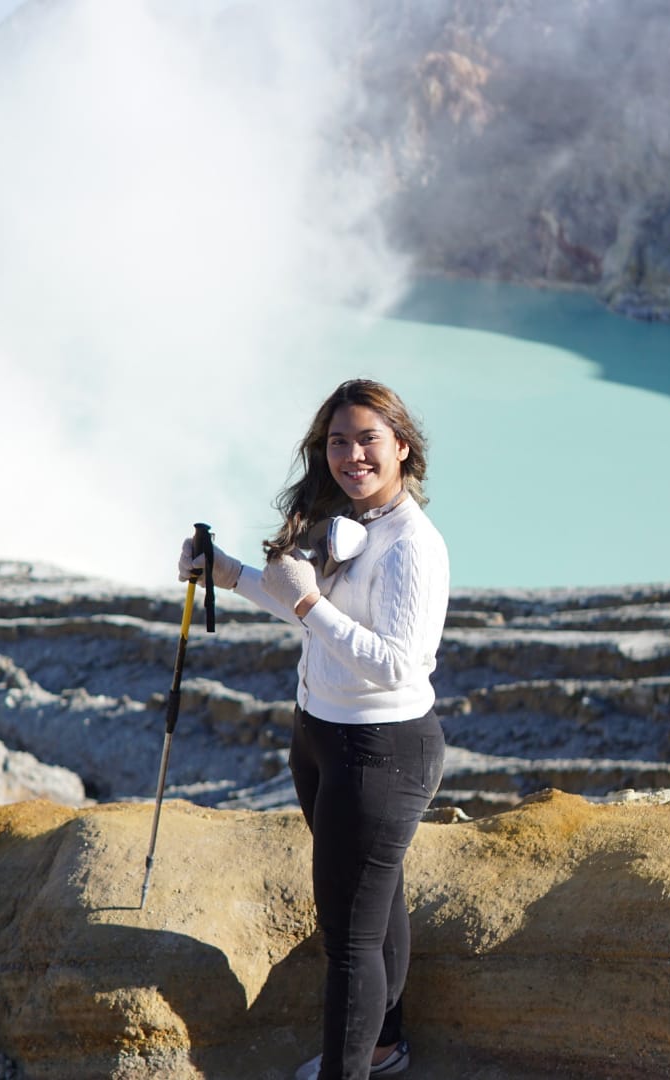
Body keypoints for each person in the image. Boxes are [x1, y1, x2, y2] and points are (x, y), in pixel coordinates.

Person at [178, 378, 450, 1079]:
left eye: (368, 440)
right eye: (338, 441)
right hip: (325, 737)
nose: (352, 455)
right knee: (373, 903)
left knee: (349, 939)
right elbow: (313, 611)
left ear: (402, 447)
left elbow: (396, 663)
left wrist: (308, 607)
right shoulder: (345, 519)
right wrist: (229, 572)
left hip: (381, 750)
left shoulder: (410, 545)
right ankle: (386, 1049)